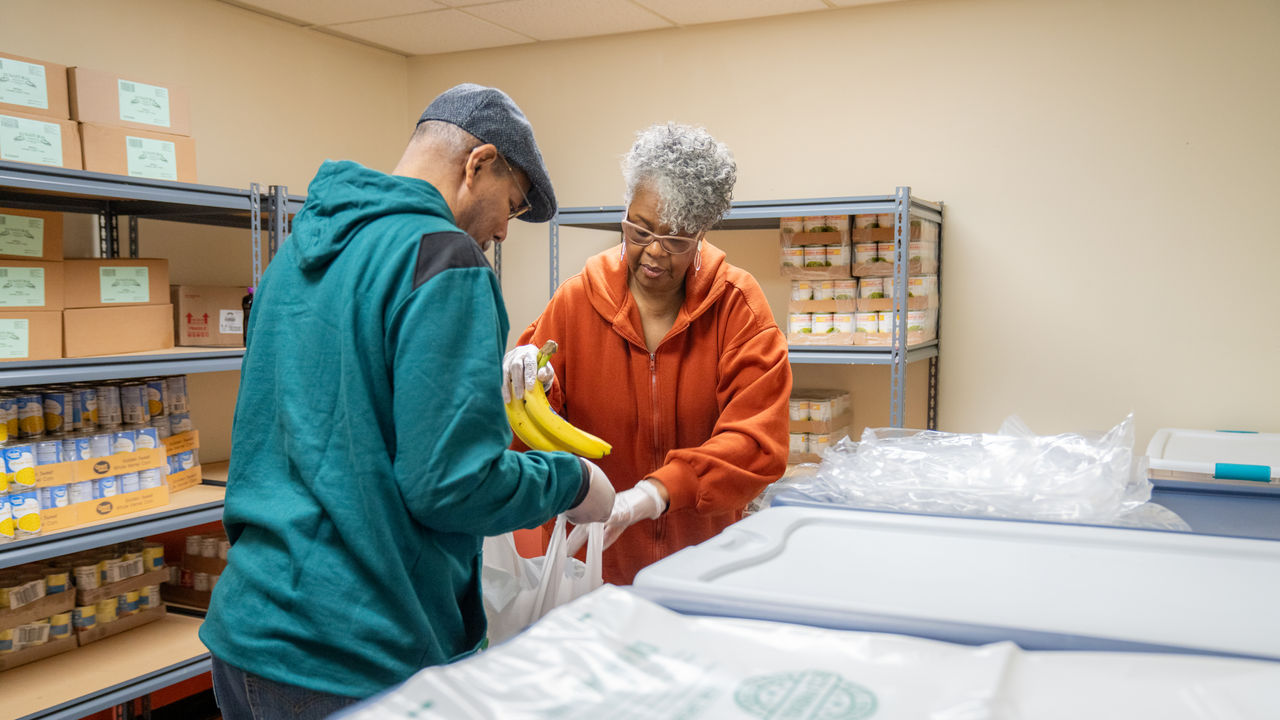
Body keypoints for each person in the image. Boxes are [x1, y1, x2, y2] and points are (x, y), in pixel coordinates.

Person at [200, 83, 615, 719]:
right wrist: (572, 480)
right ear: (477, 163)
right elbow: (452, 484)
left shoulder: (295, 253)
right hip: (358, 652)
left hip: (247, 634)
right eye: (510, 204)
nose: (504, 230)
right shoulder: (444, 259)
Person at [504, 122, 792, 586]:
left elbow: (758, 446)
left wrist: (655, 493)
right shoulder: (575, 302)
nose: (654, 252)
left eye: (675, 239)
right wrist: (520, 388)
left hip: (703, 571)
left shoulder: (738, 309)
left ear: (701, 233)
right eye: (639, 230)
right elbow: (522, 443)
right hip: (589, 569)